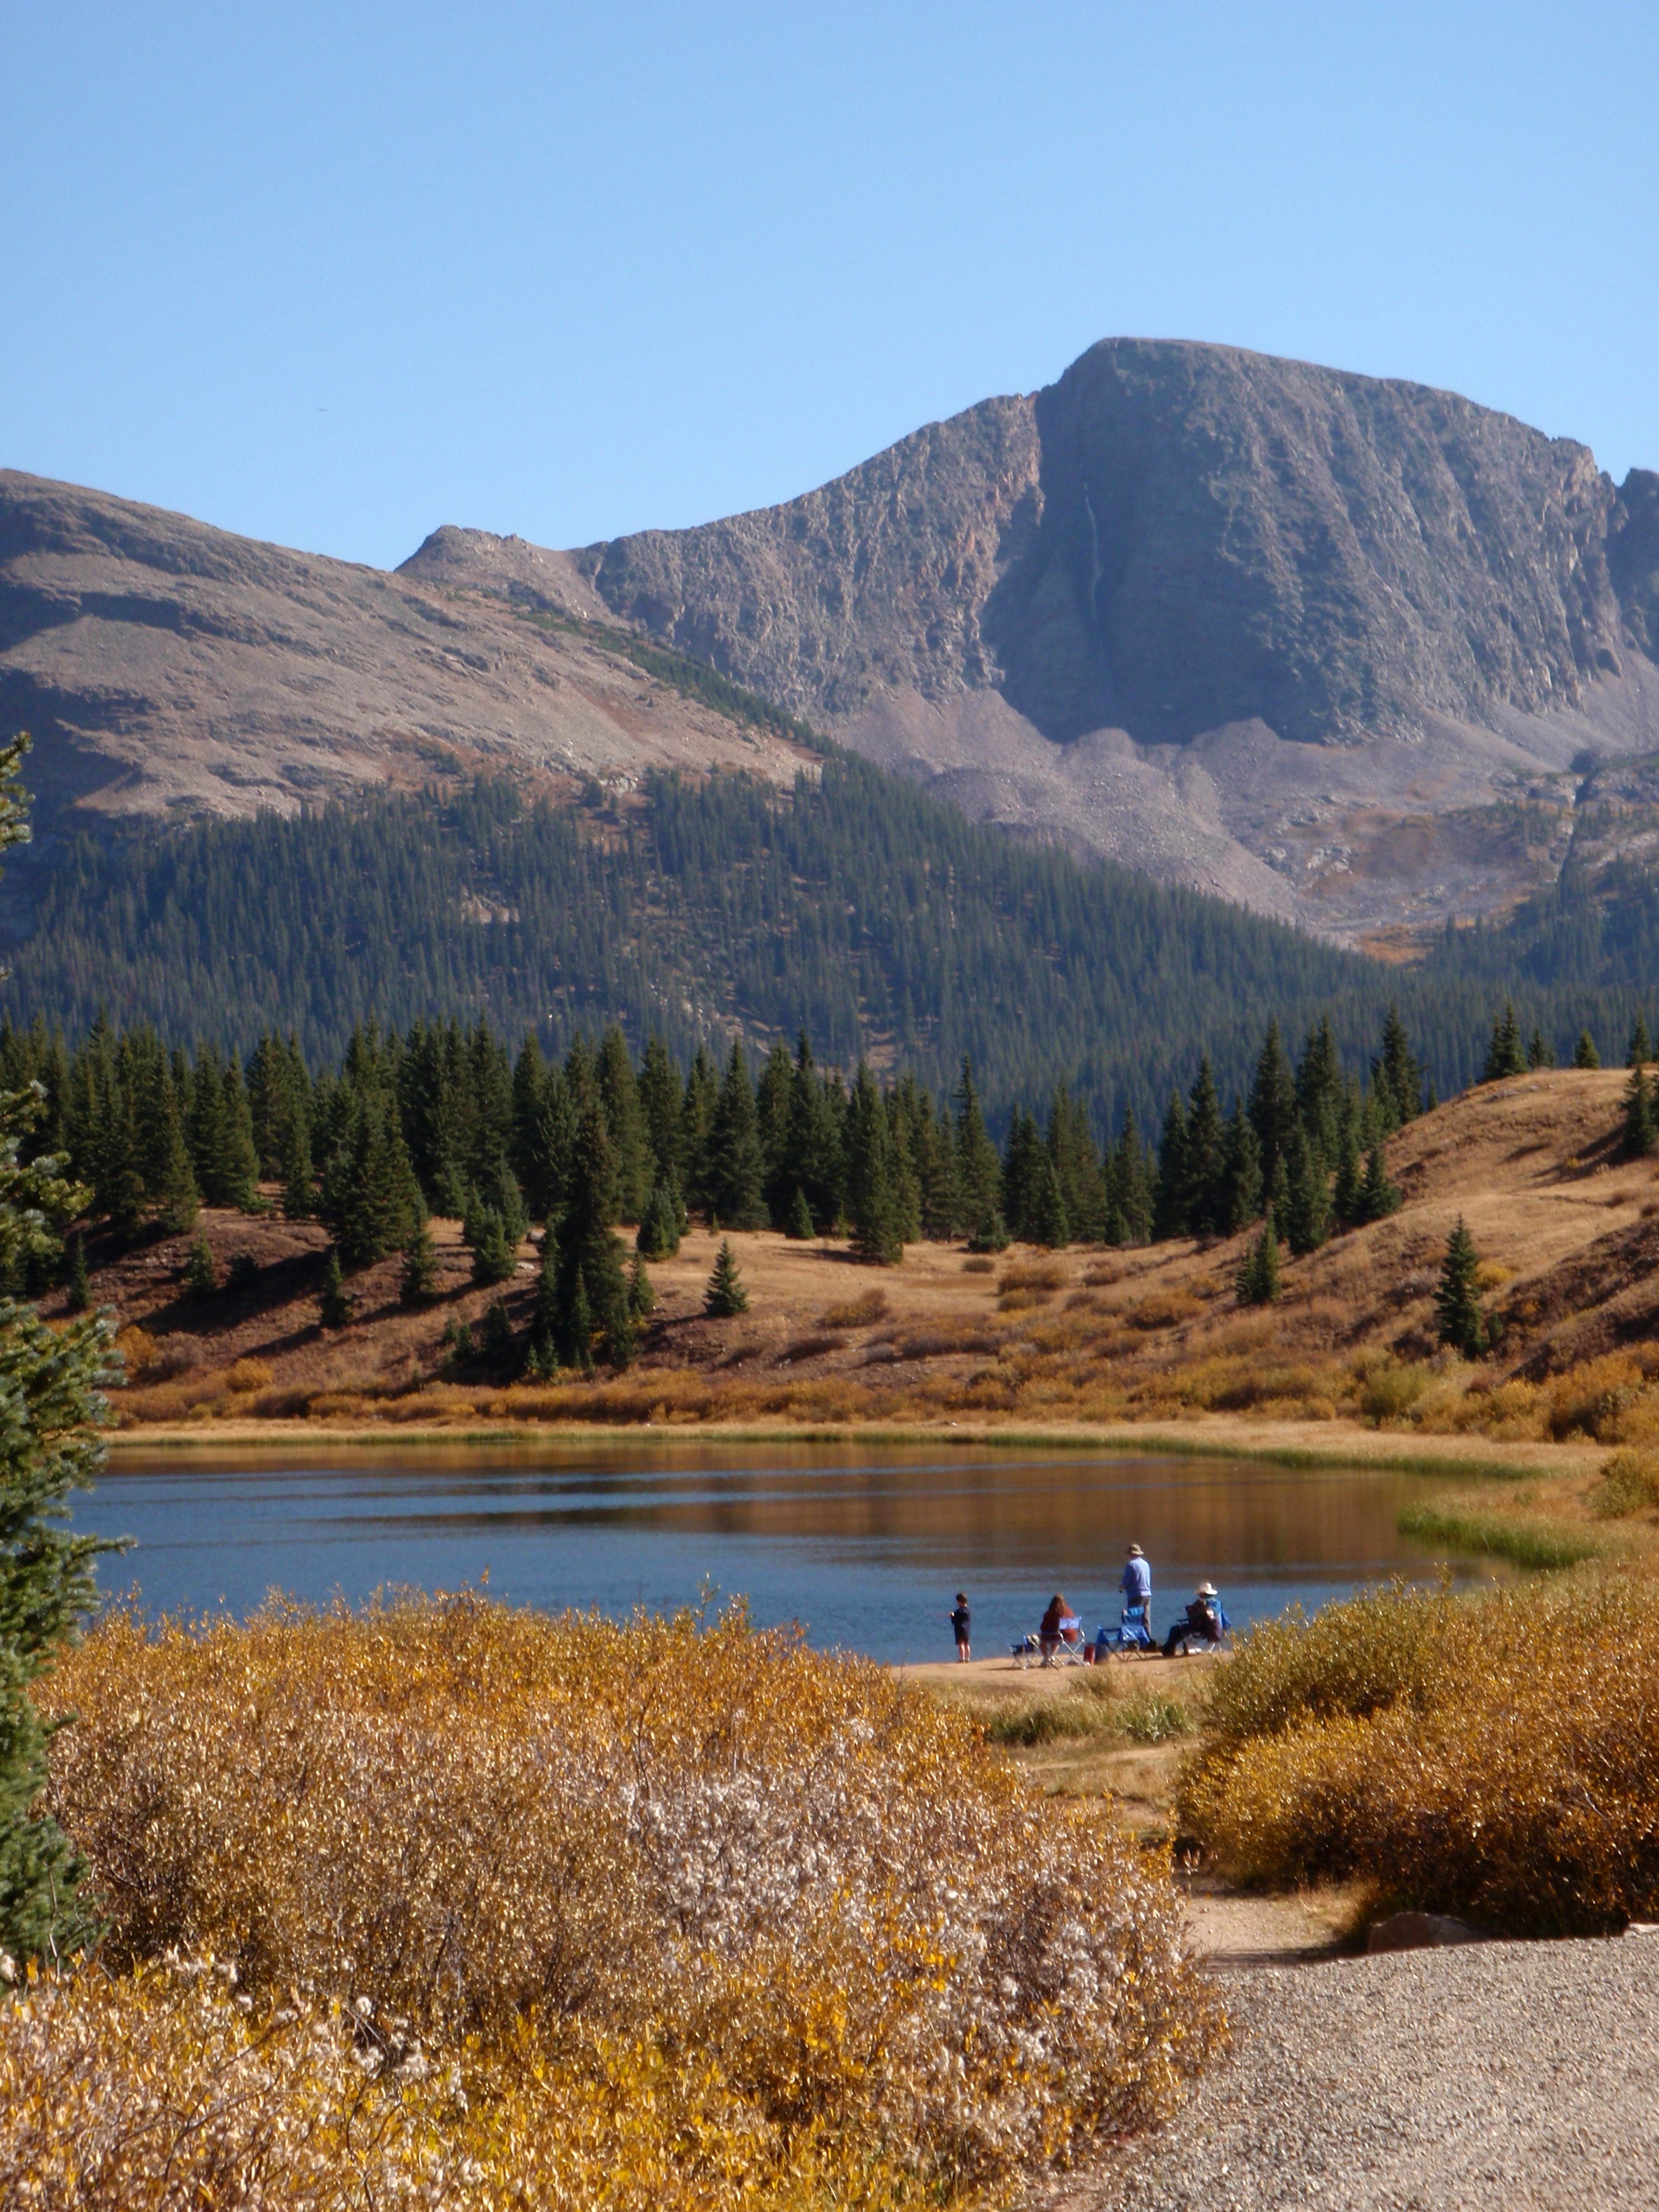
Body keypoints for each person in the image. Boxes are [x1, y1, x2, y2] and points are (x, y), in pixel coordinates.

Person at [1161, 1582, 1229, 1657]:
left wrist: (1196, 1610)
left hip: (1204, 1628)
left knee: (1175, 1630)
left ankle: (1168, 1649)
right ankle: (1169, 1648)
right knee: (1178, 1631)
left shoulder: (1209, 1604)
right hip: (1205, 1627)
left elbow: (1208, 1613)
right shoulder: (1216, 1603)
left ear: (1203, 1594)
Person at [1038, 1593, 1069, 1663]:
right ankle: (1052, 1656)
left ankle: (1046, 1658)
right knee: (1057, 1640)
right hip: (1060, 1636)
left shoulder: (1048, 1614)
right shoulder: (1065, 1614)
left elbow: (1042, 1627)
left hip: (1048, 1636)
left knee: (1040, 1639)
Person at [949, 1592, 971, 1662]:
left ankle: (962, 1659)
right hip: (967, 1630)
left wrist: (952, 1616)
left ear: (959, 1602)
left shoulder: (958, 1612)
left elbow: (954, 1621)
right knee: (967, 1644)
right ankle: (968, 1658)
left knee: (961, 1644)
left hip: (960, 1629)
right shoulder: (968, 1611)